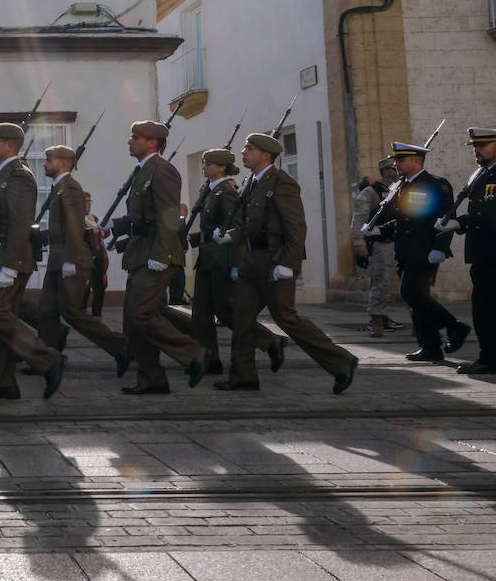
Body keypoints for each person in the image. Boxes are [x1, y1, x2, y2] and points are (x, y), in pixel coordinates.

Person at [215, 133, 357, 392]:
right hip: (252, 261)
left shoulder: (282, 183)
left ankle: (342, 362)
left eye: (250, 148)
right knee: (240, 317)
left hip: (274, 261)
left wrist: (288, 263)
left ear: (266, 155)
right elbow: (249, 224)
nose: (244, 152)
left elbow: (296, 226)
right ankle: (243, 375)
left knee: (287, 319)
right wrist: (230, 236)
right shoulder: (251, 182)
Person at [0, 122, 63, 400]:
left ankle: (47, 359)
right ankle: (2, 382)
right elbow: (5, 218)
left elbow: (21, 223)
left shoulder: (18, 176)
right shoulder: (2, 174)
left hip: (8, 258)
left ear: (10, 144)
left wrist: (10, 265)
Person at [108, 120, 206, 395]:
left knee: (141, 312)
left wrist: (161, 255)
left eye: (135, 137)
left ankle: (193, 353)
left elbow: (168, 215)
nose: (130, 141)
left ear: (153, 142)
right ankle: (151, 377)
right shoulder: (143, 171)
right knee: (134, 316)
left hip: (157, 252)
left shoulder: (162, 170)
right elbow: (140, 215)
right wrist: (113, 227)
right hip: (141, 251)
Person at [168, 148, 284, 375]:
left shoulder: (227, 192)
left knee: (226, 310)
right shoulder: (208, 189)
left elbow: (238, 227)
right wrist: (190, 238)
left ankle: (270, 341)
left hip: (223, 258)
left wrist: (233, 265)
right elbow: (208, 228)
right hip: (206, 258)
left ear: (222, 167)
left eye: (209, 163)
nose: (205, 167)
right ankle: (209, 360)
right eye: (204, 163)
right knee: (201, 313)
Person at [28, 144, 129, 377]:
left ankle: (120, 346)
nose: (45, 163)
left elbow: (74, 225)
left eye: (49, 160)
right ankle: (47, 359)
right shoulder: (60, 187)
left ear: (63, 162)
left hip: (70, 259)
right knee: (46, 311)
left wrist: (71, 260)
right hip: (58, 258)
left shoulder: (71, 188)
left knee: (72, 312)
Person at [363, 141, 465, 363]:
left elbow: (446, 219)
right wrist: (379, 230)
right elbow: (400, 220)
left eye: (401, 160)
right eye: (396, 160)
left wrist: (440, 248)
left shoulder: (436, 184)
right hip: (405, 251)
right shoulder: (400, 186)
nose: (396, 164)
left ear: (417, 161)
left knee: (410, 293)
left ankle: (455, 327)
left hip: (425, 250)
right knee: (417, 298)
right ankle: (430, 346)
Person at [437, 127, 496, 374]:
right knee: (484, 308)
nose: (477, 150)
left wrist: (461, 222)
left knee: (486, 308)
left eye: (482, 145)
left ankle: (489, 359)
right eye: (474, 146)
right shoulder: (483, 173)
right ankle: (489, 356)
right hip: (484, 254)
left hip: (492, 253)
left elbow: (488, 213)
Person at [351, 157, 401, 336]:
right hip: (382, 244)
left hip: (404, 242)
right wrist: (359, 243)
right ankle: (377, 321)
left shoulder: (403, 189)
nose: (393, 173)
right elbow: (358, 219)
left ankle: (419, 323)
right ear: (383, 172)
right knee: (382, 283)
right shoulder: (371, 192)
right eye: (390, 170)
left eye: (395, 169)